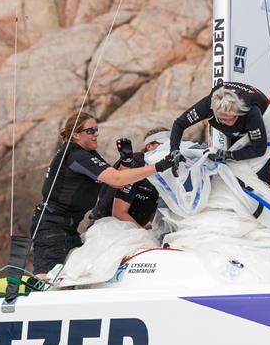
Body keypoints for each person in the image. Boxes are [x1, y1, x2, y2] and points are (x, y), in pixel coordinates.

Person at [30, 113, 174, 277]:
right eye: (90, 131)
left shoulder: (89, 154)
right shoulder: (76, 155)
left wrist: (126, 163)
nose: (96, 133)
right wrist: (159, 166)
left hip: (69, 224)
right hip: (52, 223)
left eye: (96, 129)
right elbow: (117, 179)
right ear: (76, 135)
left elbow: (114, 182)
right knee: (47, 277)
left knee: (70, 275)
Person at [169, 81, 270, 183]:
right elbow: (179, 124)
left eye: (233, 117)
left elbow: (259, 150)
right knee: (230, 177)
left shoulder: (251, 112)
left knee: (259, 181)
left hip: (261, 126)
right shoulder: (206, 107)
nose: (230, 122)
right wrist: (174, 151)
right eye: (224, 119)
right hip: (235, 131)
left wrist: (228, 155)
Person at [88, 127, 167, 228]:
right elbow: (118, 213)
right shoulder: (134, 163)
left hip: (132, 226)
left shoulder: (165, 169)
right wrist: (143, 232)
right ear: (149, 146)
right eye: (164, 145)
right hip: (106, 225)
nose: (168, 149)